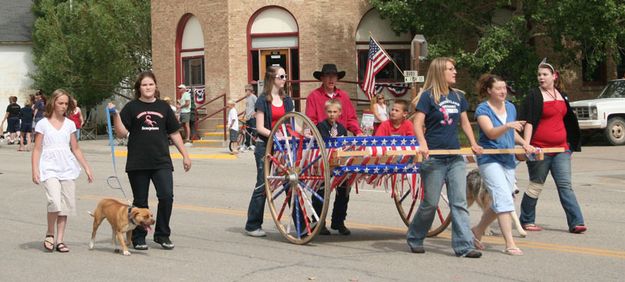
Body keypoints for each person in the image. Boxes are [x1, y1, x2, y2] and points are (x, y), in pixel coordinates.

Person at [407, 57, 483, 258]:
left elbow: (465, 123)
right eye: (451, 69)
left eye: (454, 68)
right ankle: (415, 237)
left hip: (455, 158)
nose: (455, 72)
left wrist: (473, 143)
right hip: (434, 159)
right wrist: (422, 144)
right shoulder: (428, 97)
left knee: (458, 202)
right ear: (440, 72)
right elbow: (417, 123)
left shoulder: (458, 97)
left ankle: (464, 246)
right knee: (430, 204)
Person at [108, 71, 192, 250]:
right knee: (140, 202)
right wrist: (115, 115)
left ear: (155, 86)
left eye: (150, 84)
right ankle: (139, 237)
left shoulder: (164, 107)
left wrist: (185, 155)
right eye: (144, 85)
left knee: (166, 196)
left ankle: (162, 234)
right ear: (139, 88)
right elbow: (122, 133)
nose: (148, 88)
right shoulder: (131, 107)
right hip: (138, 162)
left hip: (161, 161)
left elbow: (174, 133)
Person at [470, 74, 536, 256]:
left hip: (508, 159)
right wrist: (508, 125)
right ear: (489, 90)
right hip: (490, 160)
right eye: (498, 88)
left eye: (504, 88)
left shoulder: (510, 107)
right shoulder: (483, 109)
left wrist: (524, 143)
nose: (503, 92)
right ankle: (509, 243)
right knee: (503, 198)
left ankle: (477, 230)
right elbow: (491, 133)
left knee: (503, 198)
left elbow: (510, 134)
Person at [518, 59, 586, 234]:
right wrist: (527, 145)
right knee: (536, 185)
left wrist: (570, 145)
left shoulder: (561, 95)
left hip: (561, 149)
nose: (541, 77)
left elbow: (568, 121)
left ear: (554, 76)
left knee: (565, 185)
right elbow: (529, 122)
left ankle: (576, 222)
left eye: (545, 74)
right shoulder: (535, 95)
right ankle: (526, 220)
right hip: (540, 150)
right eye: (539, 75)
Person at [31, 89, 94, 253]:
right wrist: (35, 169)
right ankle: (50, 233)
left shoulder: (70, 124)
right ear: (53, 103)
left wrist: (86, 167)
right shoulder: (42, 124)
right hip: (49, 167)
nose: (63, 106)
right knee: (55, 202)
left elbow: (76, 148)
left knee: (65, 206)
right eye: (60, 103)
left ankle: (60, 240)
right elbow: (37, 149)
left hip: (67, 167)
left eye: (66, 103)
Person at [245, 66, 293, 237]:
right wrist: (276, 136)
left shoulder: (287, 100)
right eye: (282, 76)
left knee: (290, 181)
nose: (285, 79)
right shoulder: (262, 100)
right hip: (265, 145)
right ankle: (252, 224)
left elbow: (291, 123)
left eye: (285, 76)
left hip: (283, 145)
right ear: (272, 78)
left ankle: (300, 223)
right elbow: (259, 128)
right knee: (263, 184)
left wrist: (301, 132)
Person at [312, 99, 351, 235]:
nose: (332, 114)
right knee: (320, 192)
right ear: (325, 112)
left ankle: (338, 221)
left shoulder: (341, 128)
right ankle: (318, 222)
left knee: (344, 190)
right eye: (329, 111)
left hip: (338, 163)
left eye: (335, 112)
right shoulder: (320, 126)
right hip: (324, 163)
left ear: (340, 113)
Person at [306, 64, 363, 136]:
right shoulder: (313, 96)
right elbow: (311, 120)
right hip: (322, 139)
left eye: (334, 76)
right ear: (322, 78)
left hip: (341, 138)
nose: (331, 79)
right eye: (328, 76)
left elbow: (351, 119)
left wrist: (358, 131)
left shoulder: (344, 96)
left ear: (337, 78)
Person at [243, 84, 257, 150]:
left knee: (254, 131)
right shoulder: (247, 98)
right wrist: (244, 114)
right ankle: (247, 144)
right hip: (247, 117)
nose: (245, 92)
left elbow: (257, 106)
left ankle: (254, 144)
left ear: (250, 90)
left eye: (246, 90)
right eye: (245, 90)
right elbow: (247, 107)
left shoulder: (253, 97)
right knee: (247, 131)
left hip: (252, 118)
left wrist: (255, 113)